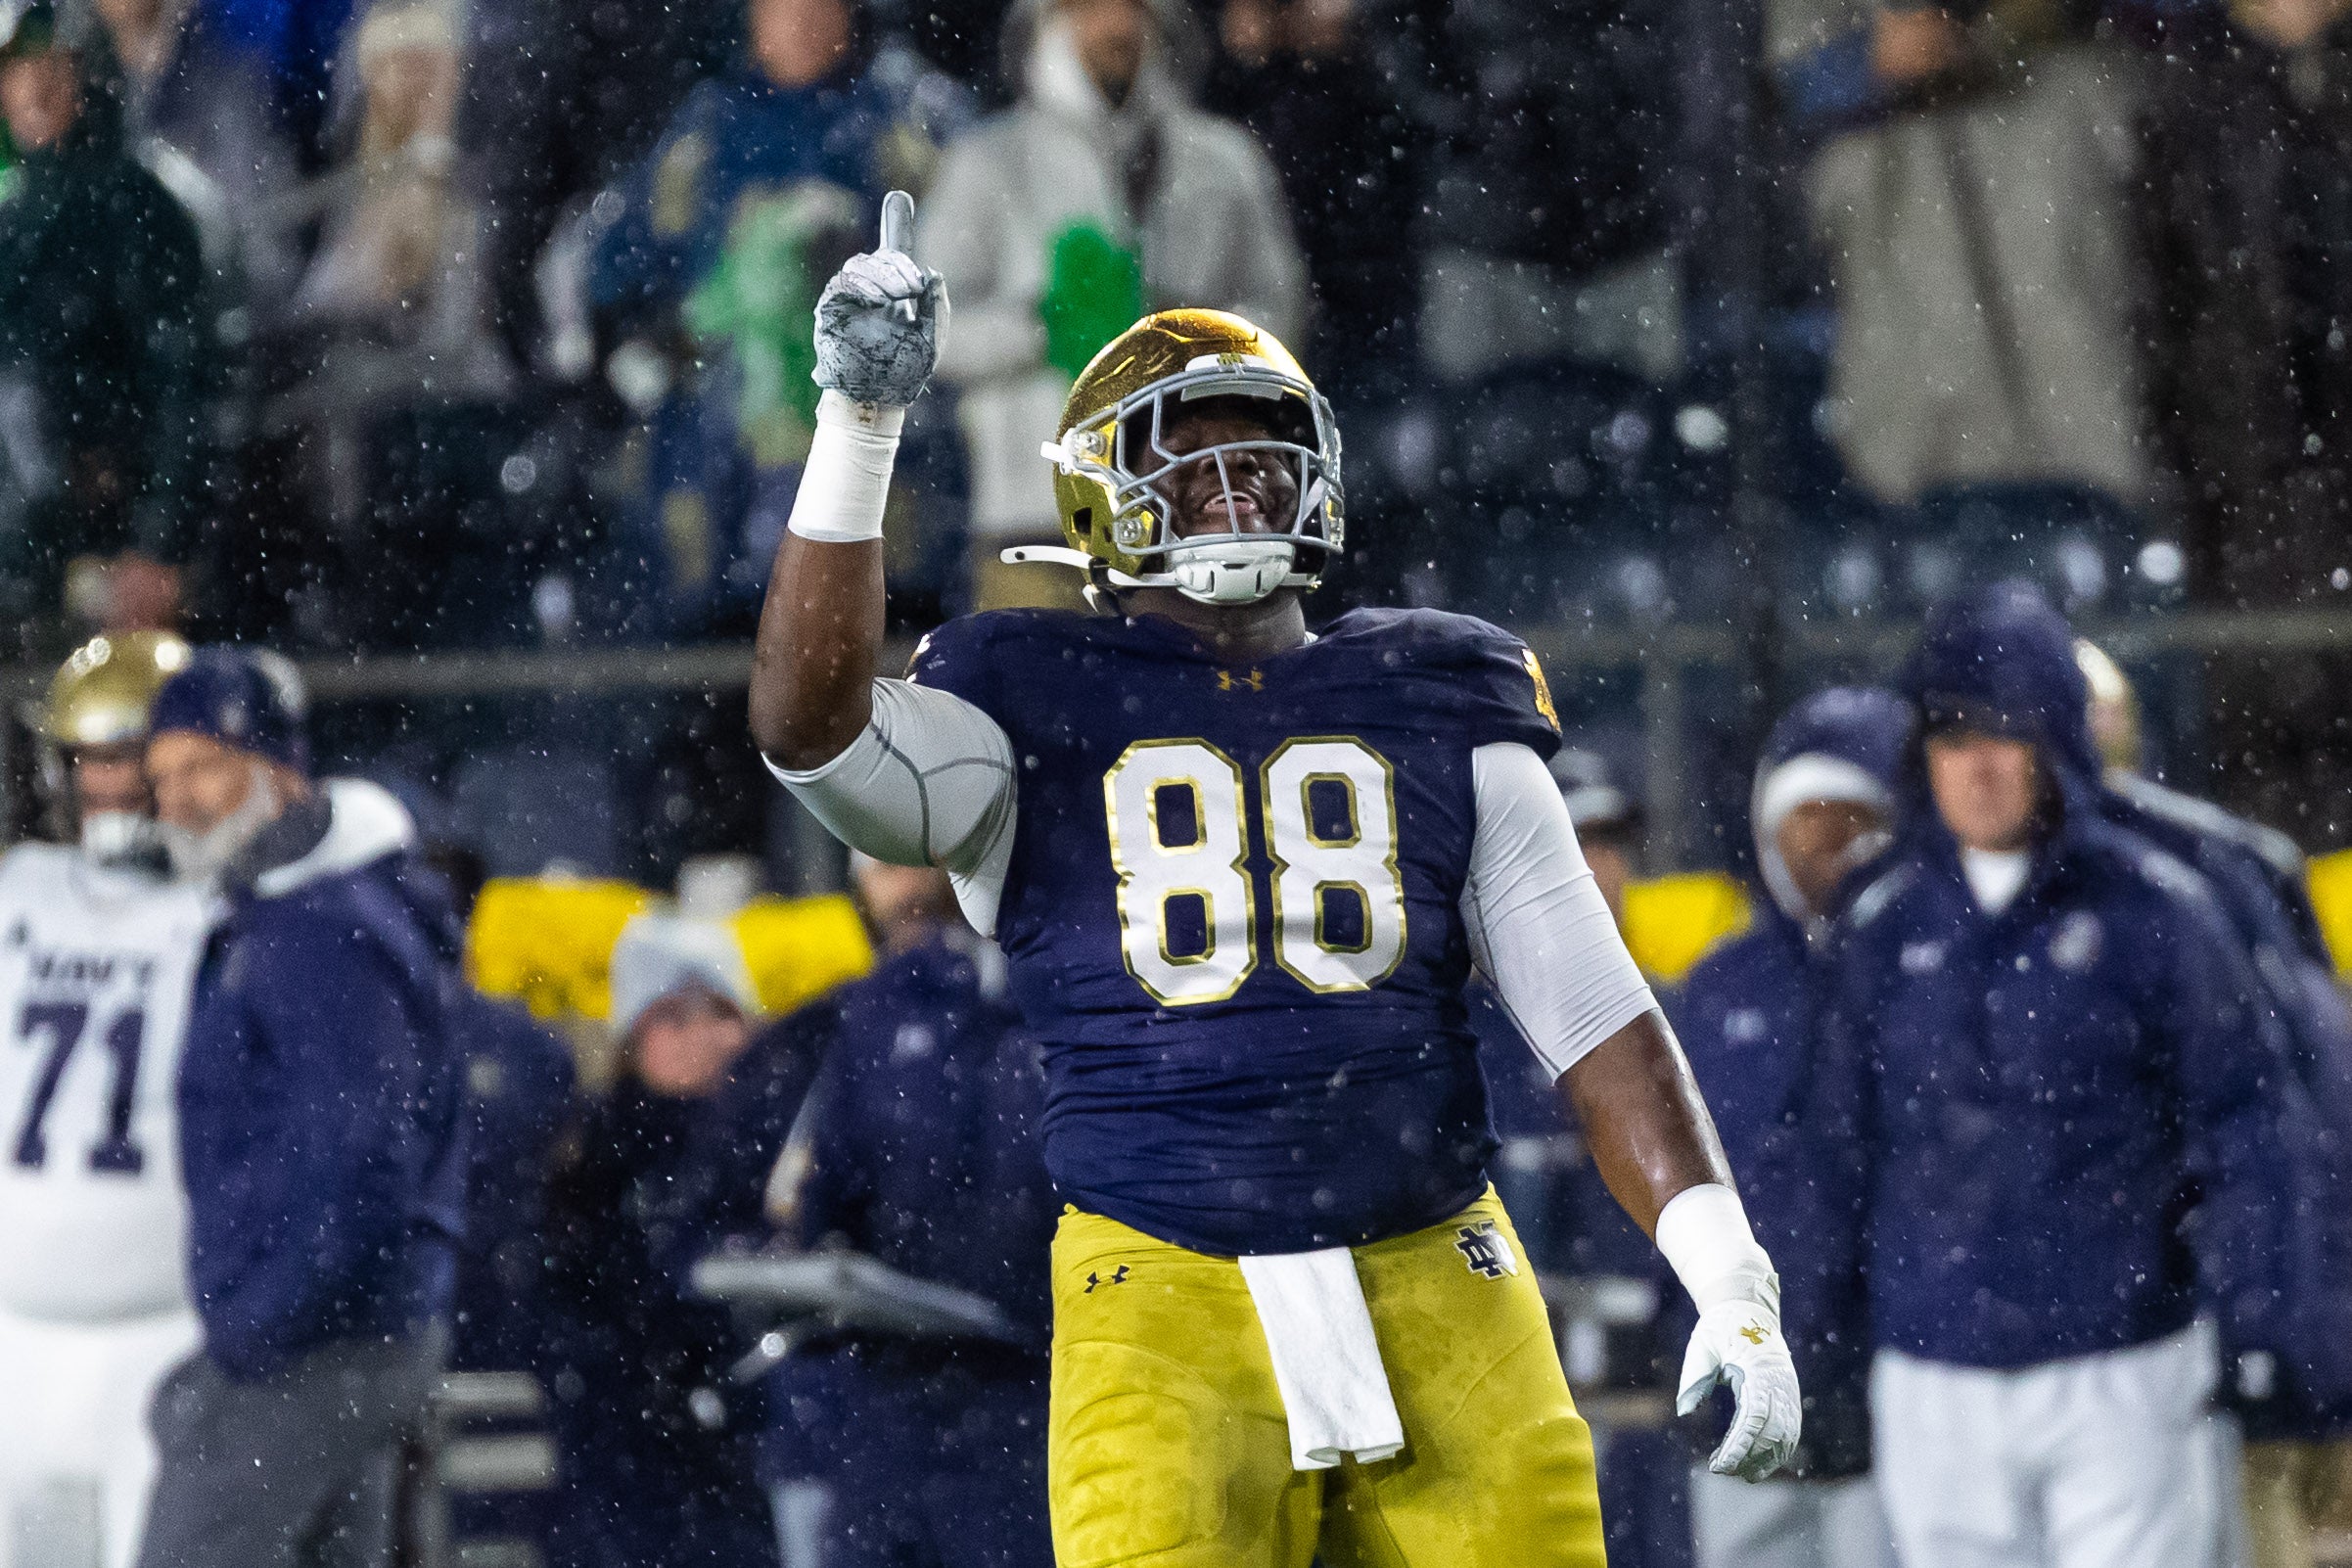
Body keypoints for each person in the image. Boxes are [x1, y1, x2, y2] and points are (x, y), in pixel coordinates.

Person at [746, 212, 1801, 1564]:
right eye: (1183, 456)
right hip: (1160, 1279)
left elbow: (1592, 1014)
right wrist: (859, 424)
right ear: (1096, 492)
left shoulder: (1434, 684)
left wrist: (1730, 1282)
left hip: (1438, 1266)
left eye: (1256, 449)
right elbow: (810, 734)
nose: (1232, 482)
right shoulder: (1023, 691)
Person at [1820, 582, 2291, 1568]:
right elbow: (1833, 1143)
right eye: (1954, 738)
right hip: (1932, 1369)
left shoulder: (2158, 913)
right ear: (1921, 757)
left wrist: (2256, 1314)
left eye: (2006, 735)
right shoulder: (1881, 923)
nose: (1979, 769)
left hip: (2123, 1362)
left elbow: (2250, 1125)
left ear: (2057, 747)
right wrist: (1816, 1326)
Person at [135, 648, 469, 1568]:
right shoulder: (320, 909)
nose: (178, 801)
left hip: (321, 1343)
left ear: (278, 768)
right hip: (352, 1332)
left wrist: (255, 1333)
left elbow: (361, 1154)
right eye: (161, 778)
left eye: (202, 767)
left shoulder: (314, 926)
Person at [588, 0, 968, 631]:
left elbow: (964, 249)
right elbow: (617, 263)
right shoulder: (706, 129)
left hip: (872, 414)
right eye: (783, 7)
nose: (802, 21)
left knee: (871, 631)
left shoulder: (907, 116)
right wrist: (660, 329)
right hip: (719, 432)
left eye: (820, 7)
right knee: (716, 647)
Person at [917, 0, 1307, 607]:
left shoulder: (1221, 160)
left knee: (1189, 700)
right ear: (1048, 21)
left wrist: (1193, 337)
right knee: (1025, 697)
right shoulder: (990, 162)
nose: (1116, 26)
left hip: (1197, 517)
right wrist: (1042, 326)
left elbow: (1280, 315)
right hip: (1032, 511)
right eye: (1090, 8)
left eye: (1131, 8)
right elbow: (927, 331)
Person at [756, 855, 1055, 1568]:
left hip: (1022, 1386)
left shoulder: (904, 1009)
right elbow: (821, 1199)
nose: (905, 886)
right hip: (901, 1396)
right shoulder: (874, 1011)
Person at [1667, 687, 1909, 1568]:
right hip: (1744, 1376)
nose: (1822, 843)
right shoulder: (1722, 984)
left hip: (1895, 1386)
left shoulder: (1923, 967)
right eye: (1800, 817)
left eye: (1850, 815)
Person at [0, 632, 211, 1568]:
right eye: (89, 755)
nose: (108, 785)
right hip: (16, 1335)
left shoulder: (237, 913)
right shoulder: (21, 892)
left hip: (167, 1333)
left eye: (127, 755)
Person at [538, 912, 782, 1568]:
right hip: (627, 1449)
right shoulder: (592, 1157)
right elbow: (565, 1297)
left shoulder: (784, 1140)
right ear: (632, 1037)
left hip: (747, 1444)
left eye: (721, 1014)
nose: (703, 1038)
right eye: (674, 1017)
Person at [0, 1, 208, 640]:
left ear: (90, 75)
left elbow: (189, 386)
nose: (33, 89)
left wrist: (158, 543)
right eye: (16, 70)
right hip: (25, 552)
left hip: (110, 550)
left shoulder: (149, 206)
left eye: (54, 67)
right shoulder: (15, 215)